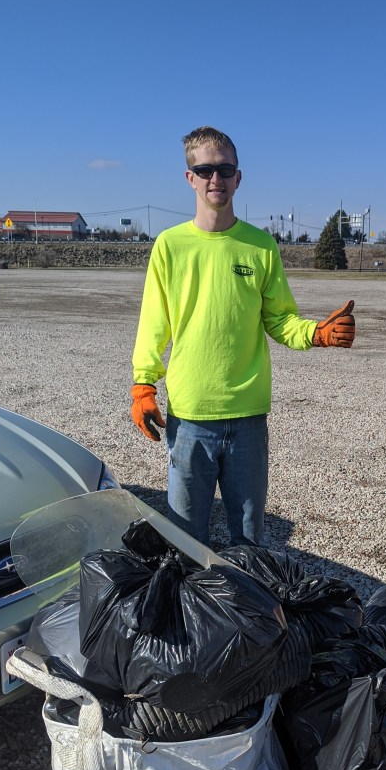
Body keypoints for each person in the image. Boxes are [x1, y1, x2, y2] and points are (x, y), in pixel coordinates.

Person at [130, 125, 355, 547]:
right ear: (190, 178)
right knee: (185, 544)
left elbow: (280, 319)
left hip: (248, 418)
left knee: (248, 542)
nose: (216, 178)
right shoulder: (170, 246)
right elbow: (153, 323)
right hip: (191, 416)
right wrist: (143, 383)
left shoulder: (260, 246)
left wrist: (317, 334)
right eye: (205, 170)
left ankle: (247, 615)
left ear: (238, 176)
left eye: (225, 169)